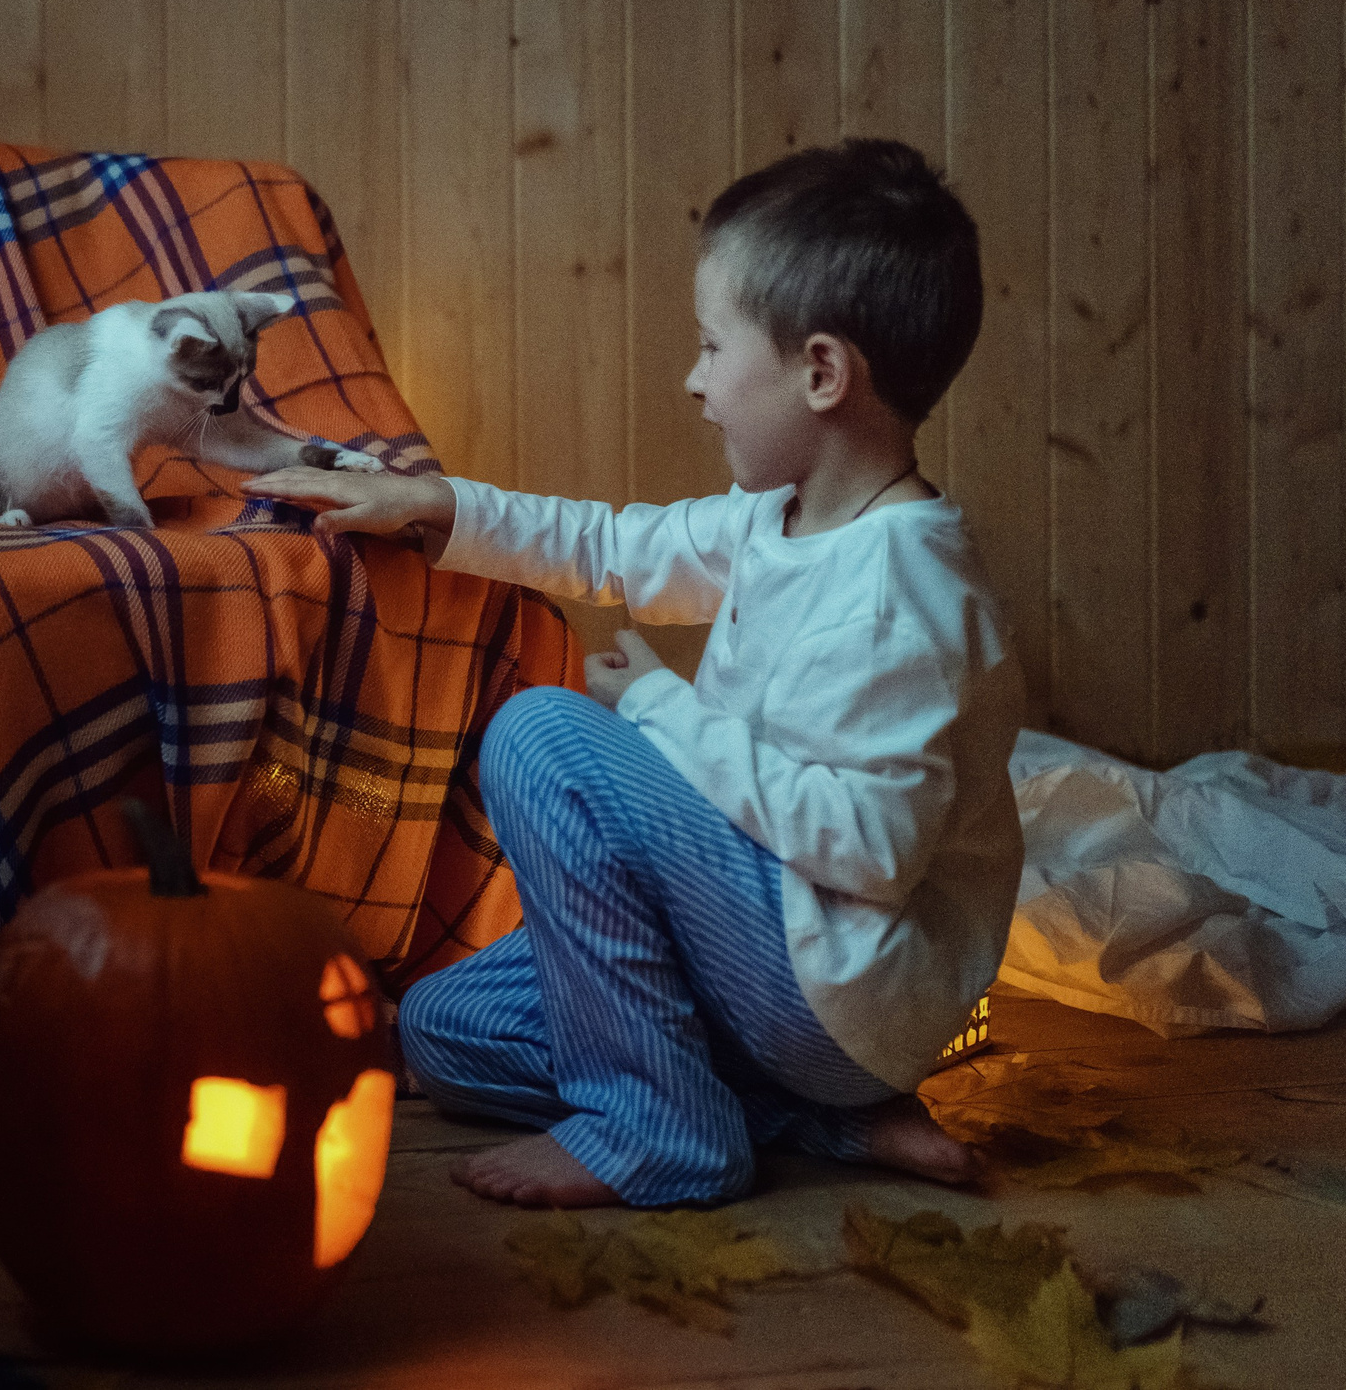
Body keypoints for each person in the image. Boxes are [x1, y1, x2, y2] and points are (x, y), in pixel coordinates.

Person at [245, 137, 1023, 1208]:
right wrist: (439, 508)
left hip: (836, 984)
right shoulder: (779, 519)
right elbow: (612, 547)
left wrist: (661, 708)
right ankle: (802, 1122)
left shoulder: (905, 590)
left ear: (822, 373)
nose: (694, 382)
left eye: (712, 348)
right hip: (762, 956)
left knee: (540, 736)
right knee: (442, 1032)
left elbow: (872, 852)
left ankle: (661, 1131)